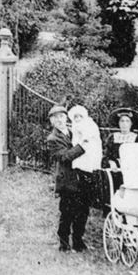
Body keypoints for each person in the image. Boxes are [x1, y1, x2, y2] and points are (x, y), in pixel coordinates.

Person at [46, 104, 90, 252]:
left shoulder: (74, 131)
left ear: (66, 118)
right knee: (67, 212)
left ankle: (78, 241)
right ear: (52, 121)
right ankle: (63, 243)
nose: (59, 120)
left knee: (82, 211)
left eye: (62, 116)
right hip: (66, 181)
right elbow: (64, 157)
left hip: (80, 178)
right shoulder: (52, 139)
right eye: (55, 117)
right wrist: (82, 147)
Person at [100, 107, 138, 211]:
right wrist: (111, 162)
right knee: (115, 193)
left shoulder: (137, 138)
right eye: (122, 121)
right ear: (118, 123)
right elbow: (105, 157)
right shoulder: (112, 137)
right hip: (116, 173)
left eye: (127, 121)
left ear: (131, 124)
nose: (124, 124)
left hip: (132, 173)